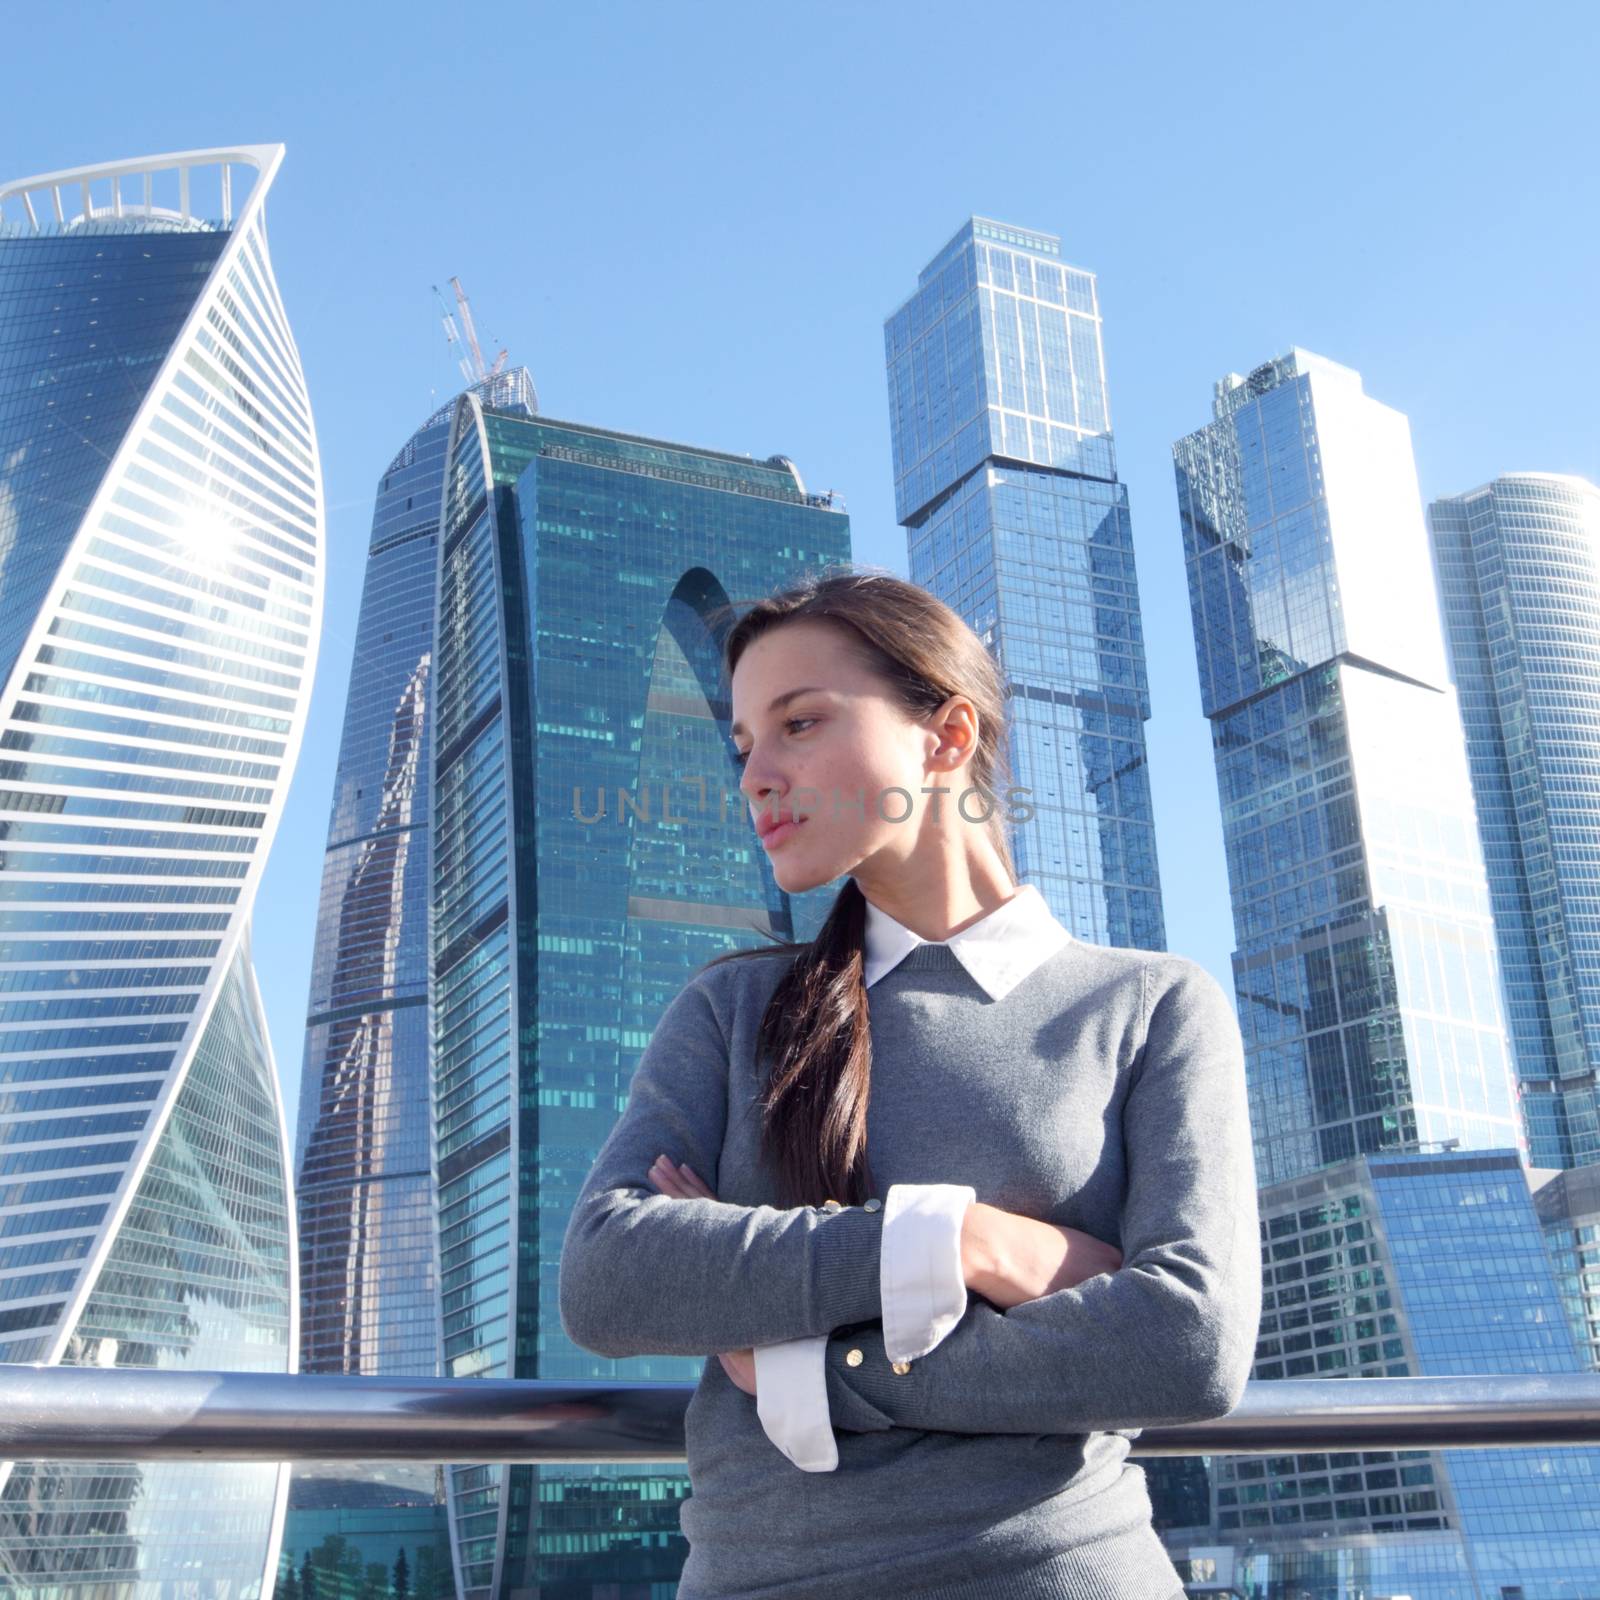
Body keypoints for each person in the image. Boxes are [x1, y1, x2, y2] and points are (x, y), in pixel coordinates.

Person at [559, 570, 1261, 1599]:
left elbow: (1187, 1343)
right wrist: (960, 1240)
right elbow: (611, 1275)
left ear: (945, 736)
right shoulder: (730, 1010)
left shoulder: (1150, 1005)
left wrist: (811, 1370)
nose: (755, 774)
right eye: (745, 743)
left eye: (798, 722)